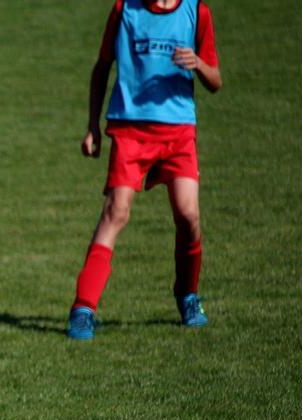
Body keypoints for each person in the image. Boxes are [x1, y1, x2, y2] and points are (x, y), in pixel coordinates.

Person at [67, 0, 222, 340]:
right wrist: (93, 126)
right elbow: (101, 67)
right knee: (116, 212)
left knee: (188, 215)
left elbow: (216, 80)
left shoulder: (197, 13)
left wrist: (197, 63)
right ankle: (83, 309)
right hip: (130, 129)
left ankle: (188, 295)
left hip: (178, 130)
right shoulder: (125, 10)